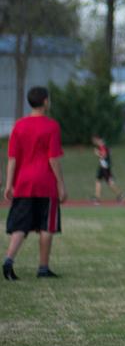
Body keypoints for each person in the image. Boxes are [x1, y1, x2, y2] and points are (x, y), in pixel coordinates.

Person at [4, 87, 67, 280]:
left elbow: (12, 158)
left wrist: (9, 184)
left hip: (23, 183)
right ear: (45, 101)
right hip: (45, 183)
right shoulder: (51, 126)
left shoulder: (19, 125)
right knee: (46, 226)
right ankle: (43, 268)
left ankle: (8, 260)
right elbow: (53, 159)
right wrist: (61, 185)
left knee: (20, 226)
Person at [91, 135, 125, 204]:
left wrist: (97, 153)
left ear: (98, 140)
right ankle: (97, 198)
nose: (94, 142)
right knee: (98, 181)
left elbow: (104, 156)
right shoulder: (102, 146)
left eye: (94, 140)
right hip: (102, 166)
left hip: (105, 167)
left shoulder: (102, 146)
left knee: (109, 182)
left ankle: (120, 195)